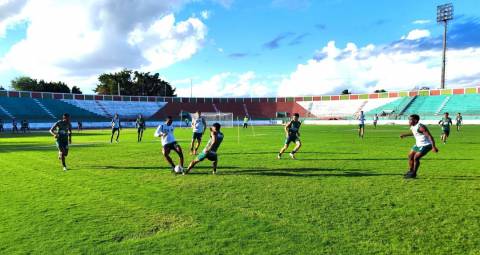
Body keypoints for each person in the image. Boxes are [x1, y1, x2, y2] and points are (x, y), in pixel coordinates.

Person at [400, 114, 438, 179]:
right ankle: (411, 171)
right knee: (410, 156)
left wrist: (433, 146)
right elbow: (415, 132)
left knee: (416, 158)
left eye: (410, 120)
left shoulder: (421, 127)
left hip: (426, 145)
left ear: (416, 120)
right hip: (418, 144)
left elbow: (429, 136)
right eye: (409, 119)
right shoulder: (412, 126)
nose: (409, 121)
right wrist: (405, 135)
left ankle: (414, 174)